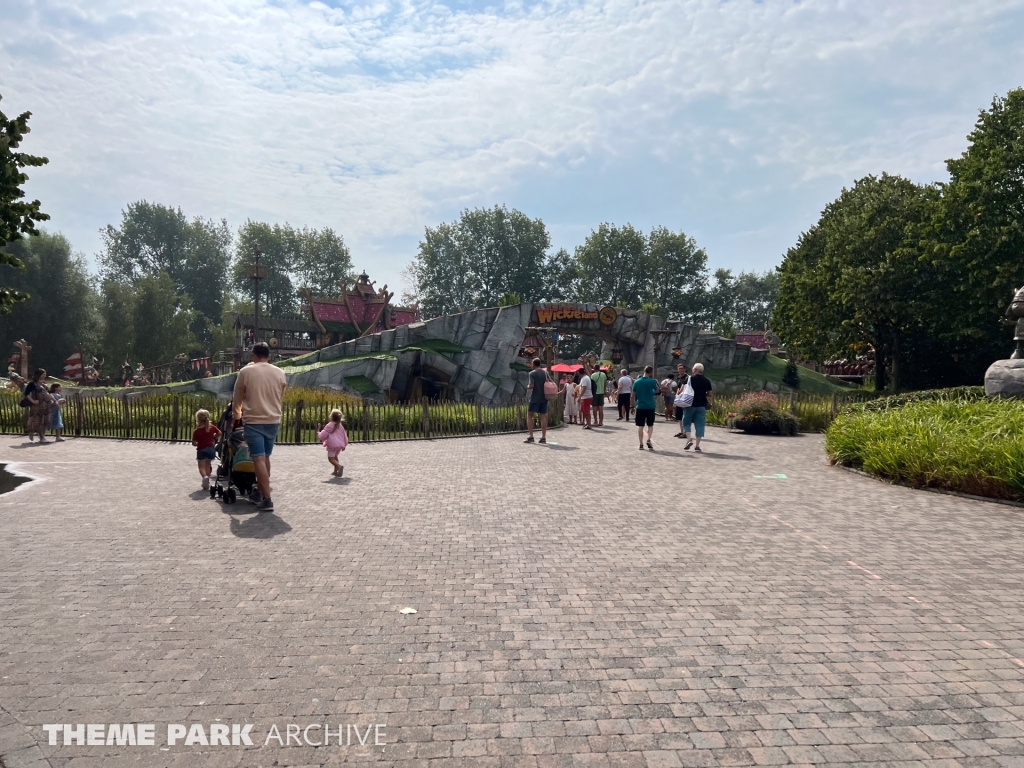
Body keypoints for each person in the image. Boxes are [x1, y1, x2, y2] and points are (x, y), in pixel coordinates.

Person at [232, 341, 287, 512]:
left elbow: (238, 395)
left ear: (254, 356)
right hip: (273, 420)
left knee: (258, 459)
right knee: (266, 457)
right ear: (268, 356)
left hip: (255, 420)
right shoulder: (280, 373)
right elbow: (280, 396)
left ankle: (267, 499)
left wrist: (237, 414)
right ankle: (260, 491)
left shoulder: (246, 371)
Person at [683, 362, 714, 453]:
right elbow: (710, 394)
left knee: (686, 423)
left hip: (690, 404)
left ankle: (689, 440)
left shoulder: (689, 379)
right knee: (700, 425)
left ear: (695, 370)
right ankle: (697, 446)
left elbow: (682, 391)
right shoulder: (706, 380)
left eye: (693, 369)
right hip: (702, 405)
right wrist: (702, 394)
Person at [191, 409, 221, 490]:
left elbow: (194, 443)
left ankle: (205, 477)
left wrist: (198, 443)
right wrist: (214, 438)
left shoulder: (196, 431)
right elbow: (219, 433)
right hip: (211, 448)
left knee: (201, 467)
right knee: (208, 465)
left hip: (201, 449)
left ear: (198, 419)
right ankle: (207, 481)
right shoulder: (212, 427)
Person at [632, 365, 659, 450]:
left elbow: (632, 395)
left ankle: (641, 444)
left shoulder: (637, 382)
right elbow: (657, 390)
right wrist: (652, 392)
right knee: (650, 425)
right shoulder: (652, 381)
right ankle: (648, 439)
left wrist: (632, 406)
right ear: (651, 372)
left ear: (644, 371)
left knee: (640, 426)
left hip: (640, 406)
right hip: (650, 406)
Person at [524, 358, 549, 444]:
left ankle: (531, 436)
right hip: (544, 397)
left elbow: (531, 386)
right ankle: (543, 437)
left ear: (534, 364)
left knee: (530, 416)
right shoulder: (545, 373)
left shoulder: (532, 373)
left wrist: (527, 386)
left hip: (535, 397)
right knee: (543, 416)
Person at [318, 408, 349, 476]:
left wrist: (318, 432)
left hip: (332, 445)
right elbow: (344, 435)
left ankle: (339, 466)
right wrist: (345, 444)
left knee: (330, 458)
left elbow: (323, 434)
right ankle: (335, 471)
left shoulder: (329, 425)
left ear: (331, 417)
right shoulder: (340, 426)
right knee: (335, 457)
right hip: (339, 446)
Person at [24, 369, 52, 443]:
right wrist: (33, 401)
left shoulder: (44, 384)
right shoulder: (32, 384)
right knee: (37, 420)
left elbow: (49, 393)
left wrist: (54, 400)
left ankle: (42, 435)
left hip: (46, 405)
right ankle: (41, 436)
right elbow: (26, 394)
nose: (45, 375)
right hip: (37, 405)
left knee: (45, 420)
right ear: (39, 374)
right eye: (43, 374)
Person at [674, 364, 689, 437]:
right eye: (679, 369)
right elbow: (678, 388)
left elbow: (683, 388)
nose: (680, 370)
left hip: (685, 398)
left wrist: (678, 394)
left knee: (684, 416)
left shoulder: (687, 377)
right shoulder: (679, 377)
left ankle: (686, 432)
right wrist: (676, 397)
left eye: (682, 368)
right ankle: (681, 431)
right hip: (679, 398)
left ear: (685, 369)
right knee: (679, 415)